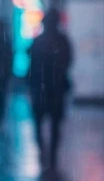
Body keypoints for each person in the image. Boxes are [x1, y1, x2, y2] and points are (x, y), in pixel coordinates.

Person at [27, 9, 73, 171]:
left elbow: (31, 66)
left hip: (41, 88)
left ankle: (43, 152)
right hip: (56, 88)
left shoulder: (38, 41)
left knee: (39, 122)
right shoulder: (63, 41)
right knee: (55, 124)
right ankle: (52, 156)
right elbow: (69, 61)